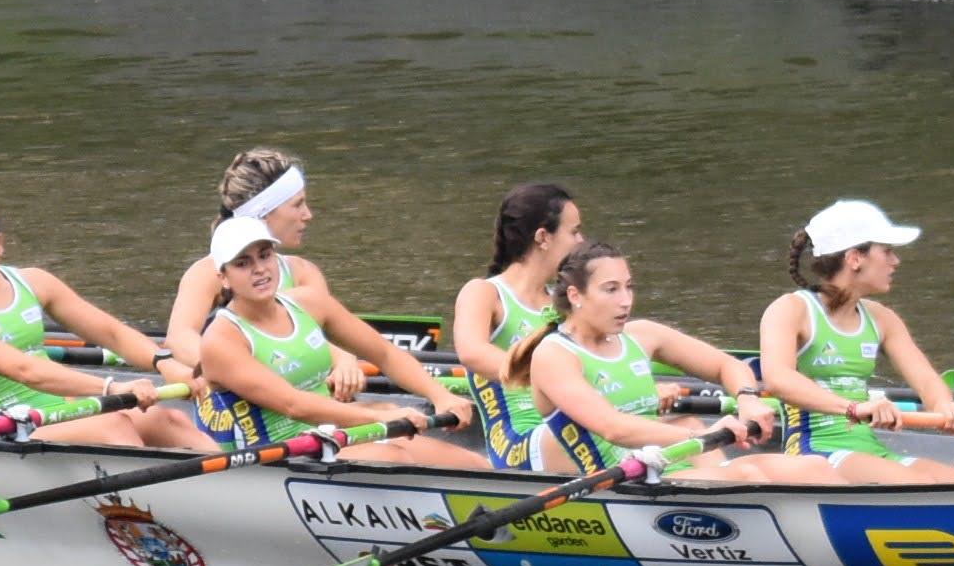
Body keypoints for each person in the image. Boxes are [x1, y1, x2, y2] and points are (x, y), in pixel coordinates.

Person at [446, 180, 772, 467]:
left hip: (583, 417)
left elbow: (601, 364)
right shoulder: (485, 293)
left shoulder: (568, 303)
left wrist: (624, 388)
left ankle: (716, 491)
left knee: (689, 423)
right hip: (524, 439)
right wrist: (609, 391)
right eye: (574, 231)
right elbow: (472, 354)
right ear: (543, 237)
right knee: (621, 429)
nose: (580, 240)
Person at [159, 147, 466, 435]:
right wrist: (251, 366)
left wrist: (345, 360)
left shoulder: (305, 273)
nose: (308, 214)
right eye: (297, 204)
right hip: (244, 417)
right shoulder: (209, 272)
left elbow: (329, 336)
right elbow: (180, 338)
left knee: (379, 409)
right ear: (264, 215)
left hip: (307, 406)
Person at [517, 243, 845, 484]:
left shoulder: (642, 336)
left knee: (813, 468)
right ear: (575, 295)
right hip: (622, 482)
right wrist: (697, 437)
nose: (626, 301)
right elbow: (613, 428)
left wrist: (746, 399)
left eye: (629, 287)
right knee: (746, 474)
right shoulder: (554, 355)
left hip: (671, 463)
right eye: (611, 290)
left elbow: (725, 366)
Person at [0, 192, 208, 451]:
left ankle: (237, 490)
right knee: (114, 426)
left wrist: (164, 363)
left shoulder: (34, 281)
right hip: (8, 431)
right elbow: (26, 370)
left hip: (60, 414)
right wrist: (112, 387)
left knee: (168, 419)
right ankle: (144, 509)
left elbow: (111, 333)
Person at [203, 218, 490, 465]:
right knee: (395, 458)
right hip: (282, 455)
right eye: (243, 263)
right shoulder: (222, 339)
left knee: (476, 465)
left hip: (335, 433)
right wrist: (375, 417)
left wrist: (440, 395)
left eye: (265, 256)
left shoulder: (309, 302)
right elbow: (295, 406)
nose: (259, 269)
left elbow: (386, 354)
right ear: (223, 278)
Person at [756, 200, 954, 482]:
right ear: (855, 258)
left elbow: (927, 381)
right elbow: (777, 380)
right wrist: (854, 408)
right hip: (815, 452)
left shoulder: (882, 318)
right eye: (887, 251)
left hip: (869, 450)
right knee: (917, 486)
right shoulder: (790, 309)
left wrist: (945, 407)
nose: (896, 261)